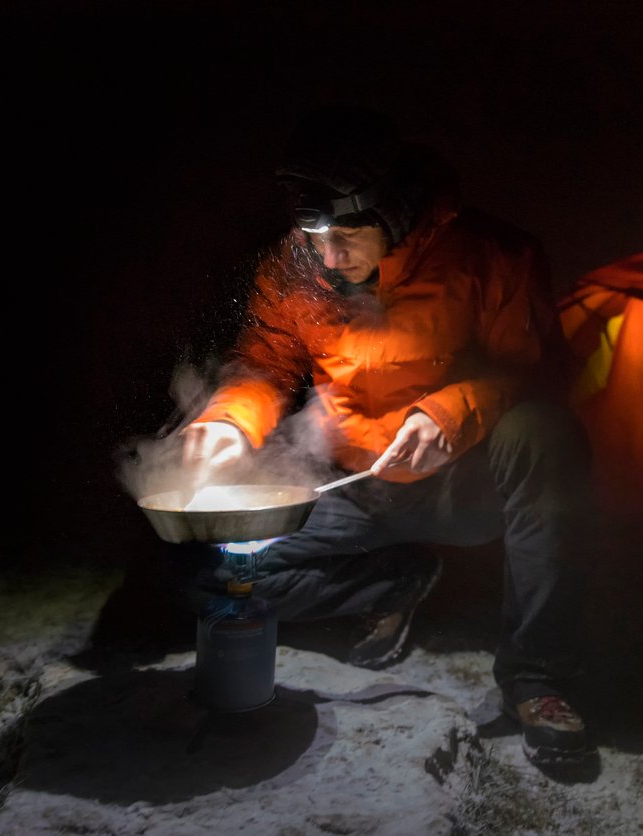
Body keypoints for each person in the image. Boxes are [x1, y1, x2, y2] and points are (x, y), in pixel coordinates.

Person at [177, 106, 595, 768]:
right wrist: (229, 419)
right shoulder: (299, 268)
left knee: (546, 435)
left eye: (346, 235)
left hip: (460, 481)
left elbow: (529, 372)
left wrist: (447, 414)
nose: (329, 256)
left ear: (393, 213)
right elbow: (262, 361)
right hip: (352, 484)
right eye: (314, 236)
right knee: (209, 575)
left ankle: (536, 678)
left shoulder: (494, 258)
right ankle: (390, 582)